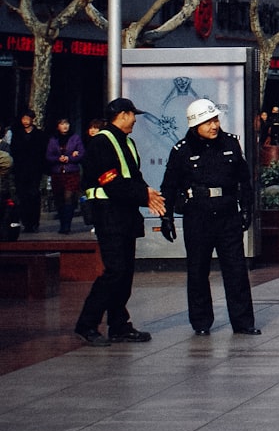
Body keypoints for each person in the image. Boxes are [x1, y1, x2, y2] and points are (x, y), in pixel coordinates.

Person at [159, 99, 260, 336]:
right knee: (197, 271)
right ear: (195, 125)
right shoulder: (182, 150)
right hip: (198, 216)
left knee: (236, 270)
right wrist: (167, 218)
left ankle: (243, 322)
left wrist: (247, 208)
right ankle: (201, 322)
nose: (214, 126)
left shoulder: (231, 144)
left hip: (227, 215)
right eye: (208, 122)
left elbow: (244, 180)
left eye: (215, 120)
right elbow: (169, 186)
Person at [74, 98, 167, 346]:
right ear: (123, 114)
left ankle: (119, 325)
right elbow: (110, 181)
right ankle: (87, 324)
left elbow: (134, 176)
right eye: (132, 115)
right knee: (114, 271)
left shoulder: (127, 142)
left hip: (125, 214)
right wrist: (143, 196)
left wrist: (149, 194)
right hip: (108, 214)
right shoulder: (101, 142)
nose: (135, 120)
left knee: (124, 273)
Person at [46, 117, 85, 234]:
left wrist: (70, 158)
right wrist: (58, 158)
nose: (65, 126)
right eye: (62, 124)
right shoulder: (53, 139)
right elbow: (48, 156)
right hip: (57, 172)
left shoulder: (75, 138)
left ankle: (67, 225)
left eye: (66, 123)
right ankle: (62, 222)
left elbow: (81, 153)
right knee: (59, 199)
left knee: (69, 197)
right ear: (58, 126)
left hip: (71, 172)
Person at [10, 109, 46, 232]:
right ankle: (26, 223)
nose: (25, 121)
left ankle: (34, 221)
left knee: (34, 195)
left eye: (27, 118)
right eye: (23, 119)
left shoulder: (39, 135)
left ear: (32, 119)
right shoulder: (17, 134)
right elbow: (14, 151)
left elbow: (42, 152)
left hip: (35, 170)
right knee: (22, 196)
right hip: (20, 170)